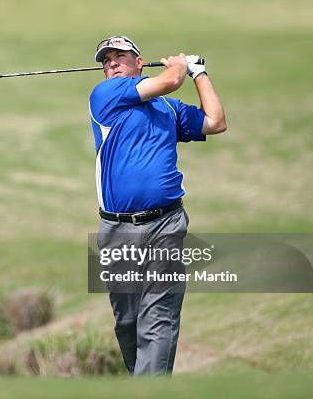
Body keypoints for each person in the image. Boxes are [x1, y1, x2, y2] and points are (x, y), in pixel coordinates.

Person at [89, 36, 227, 375]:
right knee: (127, 321)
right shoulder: (104, 96)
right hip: (118, 229)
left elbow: (215, 122)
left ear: (139, 63)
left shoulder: (168, 108)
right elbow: (170, 80)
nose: (113, 64)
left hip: (166, 224)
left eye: (121, 57)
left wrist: (200, 73)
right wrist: (180, 67)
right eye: (107, 60)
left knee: (158, 318)